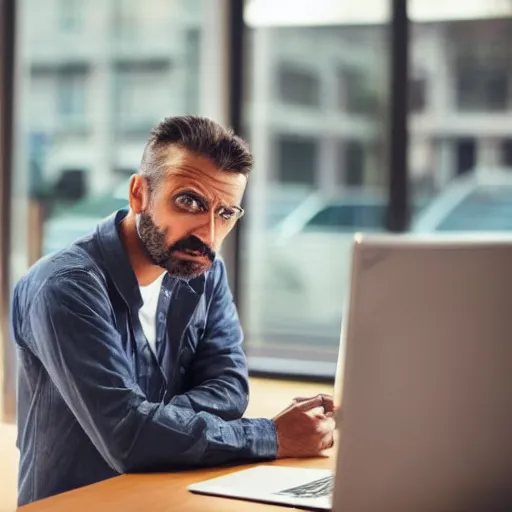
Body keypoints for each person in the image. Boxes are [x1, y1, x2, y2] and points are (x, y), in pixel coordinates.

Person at [11, 116, 336, 506]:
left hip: (169, 496)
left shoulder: (204, 273)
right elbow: (128, 438)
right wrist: (272, 436)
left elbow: (230, 391)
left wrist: (151, 422)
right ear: (139, 194)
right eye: (189, 201)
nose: (209, 234)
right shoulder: (65, 286)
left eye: (226, 213)